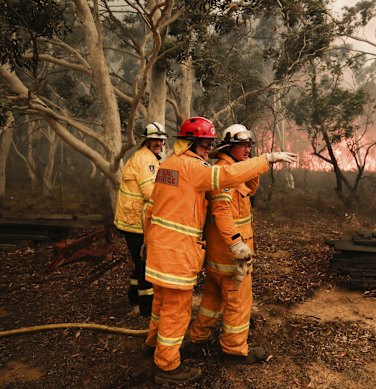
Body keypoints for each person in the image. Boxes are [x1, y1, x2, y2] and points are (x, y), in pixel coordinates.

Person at [141, 116, 297, 385]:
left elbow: (151, 207)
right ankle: (167, 366)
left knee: (162, 304)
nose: (206, 151)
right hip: (178, 253)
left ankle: (154, 346)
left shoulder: (168, 165)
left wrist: (146, 241)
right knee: (177, 311)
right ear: (190, 143)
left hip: (159, 248)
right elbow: (224, 180)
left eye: (209, 145)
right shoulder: (194, 168)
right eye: (203, 145)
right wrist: (267, 159)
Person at [184, 124, 266, 364]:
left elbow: (250, 189)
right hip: (231, 257)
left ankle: (196, 340)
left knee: (212, 300)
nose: (248, 149)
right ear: (230, 147)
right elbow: (221, 212)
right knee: (238, 304)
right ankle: (234, 349)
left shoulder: (232, 171)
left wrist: (249, 169)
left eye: (250, 145)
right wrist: (237, 245)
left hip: (218, 257)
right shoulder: (223, 174)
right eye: (244, 145)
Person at [113, 122, 167, 317]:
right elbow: (151, 193)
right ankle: (147, 308)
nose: (159, 143)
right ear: (147, 140)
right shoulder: (146, 160)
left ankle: (133, 296)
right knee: (146, 265)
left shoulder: (148, 157)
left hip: (132, 220)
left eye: (161, 139)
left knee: (139, 262)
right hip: (136, 222)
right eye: (155, 140)